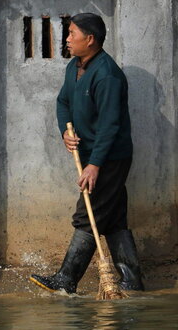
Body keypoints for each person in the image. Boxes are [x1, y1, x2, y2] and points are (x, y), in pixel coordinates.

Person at [29, 13, 144, 294]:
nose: (66, 39)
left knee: (87, 213)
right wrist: (65, 131)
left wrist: (94, 165)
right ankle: (132, 281)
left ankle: (67, 280)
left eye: (71, 34)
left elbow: (110, 126)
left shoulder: (107, 75)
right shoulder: (74, 66)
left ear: (90, 39)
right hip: (92, 155)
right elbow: (63, 102)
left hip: (108, 159)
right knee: (114, 219)